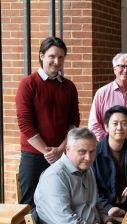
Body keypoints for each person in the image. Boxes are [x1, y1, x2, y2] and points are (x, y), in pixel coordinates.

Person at [15, 37, 80, 208]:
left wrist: (59, 150)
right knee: (29, 205)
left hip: (63, 155)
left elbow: (74, 123)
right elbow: (25, 124)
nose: (56, 61)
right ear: (42, 56)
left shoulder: (69, 87)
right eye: (52, 56)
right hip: (34, 156)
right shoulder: (28, 84)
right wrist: (47, 151)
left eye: (61, 57)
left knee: (61, 202)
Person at [34, 128, 118, 224]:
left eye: (92, 151)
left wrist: (107, 221)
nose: (88, 158)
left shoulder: (87, 170)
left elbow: (96, 204)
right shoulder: (54, 176)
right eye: (82, 152)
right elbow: (65, 220)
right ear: (68, 149)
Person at [88, 53, 127, 145]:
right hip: (107, 149)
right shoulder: (101, 94)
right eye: (121, 66)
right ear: (114, 69)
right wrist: (110, 143)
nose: (126, 70)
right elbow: (94, 124)